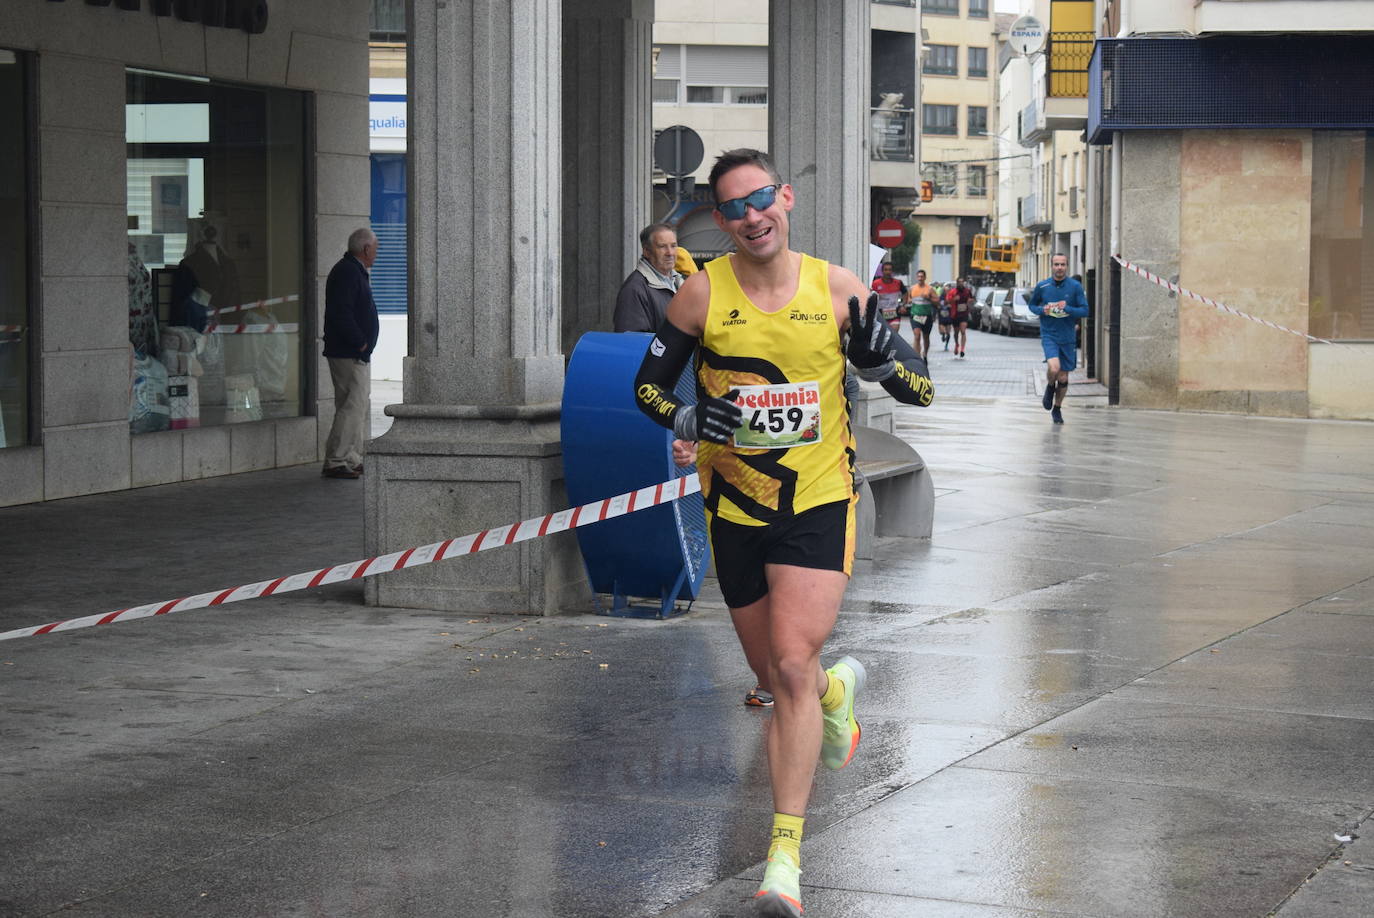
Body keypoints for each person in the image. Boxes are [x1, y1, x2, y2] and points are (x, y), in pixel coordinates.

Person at [632, 148, 933, 917]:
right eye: (733, 207)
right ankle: (838, 693)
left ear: (786, 198)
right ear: (720, 220)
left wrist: (878, 365)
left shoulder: (837, 289)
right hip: (734, 510)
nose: (750, 216)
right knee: (776, 680)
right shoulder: (700, 296)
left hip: (819, 504)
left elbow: (921, 388)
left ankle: (784, 860)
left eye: (760, 198)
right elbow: (647, 388)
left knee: (793, 660)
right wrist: (689, 417)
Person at [321, 228, 380, 479]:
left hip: (353, 352)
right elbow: (341, 312)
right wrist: (360, 342)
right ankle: (336, 460)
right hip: (349, 352)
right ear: (366, 248)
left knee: (354, 406)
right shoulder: (347, 272)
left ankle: (351, 456)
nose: (376, 253)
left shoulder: (353, 271)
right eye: (375, 248)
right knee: (351, 406)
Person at [1028, 253, 1090, 425]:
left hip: (1068, 337)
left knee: (1063, 378)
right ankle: (1049, 387)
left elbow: (1085, 311)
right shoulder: (1042, 286)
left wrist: (1068, 308)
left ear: (1067, 266)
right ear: (1052, 266)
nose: (1059, 268)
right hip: (1049, 334)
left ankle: (1057, 408)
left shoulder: (1075, 287)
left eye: (1062, 264)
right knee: (1054, 368)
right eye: (1056, 264)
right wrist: (1043, 310)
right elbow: (1032, 305)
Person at [613, 222, 683, 333]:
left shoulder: (680, 282)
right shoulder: (634, 289)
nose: (670, 253)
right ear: (647, 251)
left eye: (673, 246)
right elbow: (631, 343)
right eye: (662, 246)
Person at [870, 261, 908, 334]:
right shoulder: (875, 283)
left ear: (892, 271)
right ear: (882, 271)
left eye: (890, 270)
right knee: (882, 335)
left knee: (893, 334)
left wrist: (903, 305)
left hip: (895, 313)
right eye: (886, 270)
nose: (888, 272)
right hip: (881, 314)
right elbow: (871, 296)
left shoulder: (898, 282)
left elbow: (905, 293)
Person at [906, 269, 936, 360]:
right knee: (917, 335)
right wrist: (909, 302)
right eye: (918, 276)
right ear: (916, 277)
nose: (920, 278)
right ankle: (917, 357)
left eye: (922, 276)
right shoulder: (912, 288)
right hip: (915, 316)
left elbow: (937, 302)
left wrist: (929, 298)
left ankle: (925, 354)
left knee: (926, 337)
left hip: (927, 316)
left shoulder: (930, 289)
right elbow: (908, 300)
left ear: (925, 277)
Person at [947, 277, 973, 358]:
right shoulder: (953, 291)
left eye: (962, 282)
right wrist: (954, 299)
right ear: (957, 283)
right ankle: (957, 344)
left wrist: (970, 301)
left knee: (963, 331)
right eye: (959, 282)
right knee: (956, 333)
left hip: (964, 314)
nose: (961, 283)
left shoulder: (967, 291)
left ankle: (962, 349)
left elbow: (972, 299)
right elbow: (947, 301)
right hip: (955, 314)